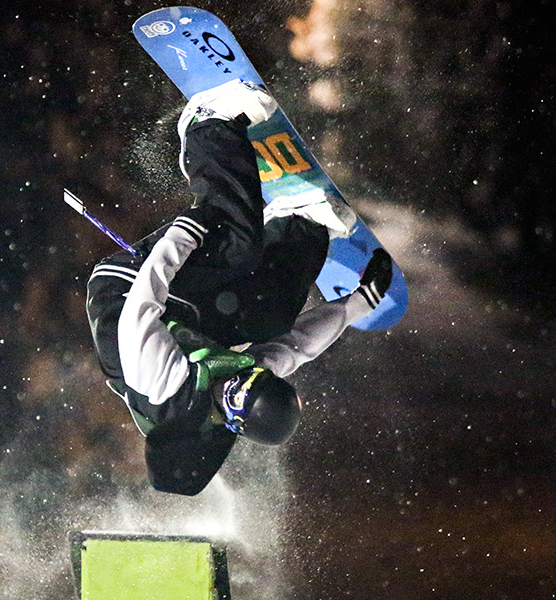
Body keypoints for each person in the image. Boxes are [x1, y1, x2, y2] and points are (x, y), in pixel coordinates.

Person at [85, 80, 392, 496]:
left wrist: (185, 235)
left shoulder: (163, 384)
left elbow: (142, 304)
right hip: (187, 321)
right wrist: (356, 306)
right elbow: (297, 345)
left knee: (236, 246)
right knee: (269, 319)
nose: (235, 383)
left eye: (232, 392)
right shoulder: (249, 389)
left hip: (127, 290)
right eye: (245, 381)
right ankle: (302, 222)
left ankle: (206, 124)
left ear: (227, 415)